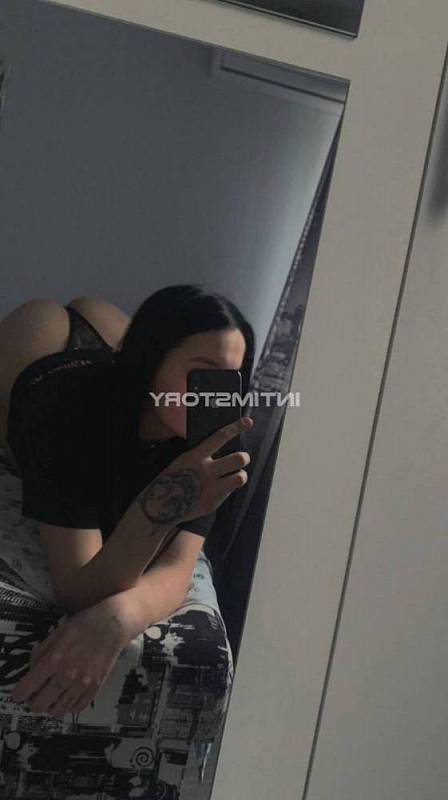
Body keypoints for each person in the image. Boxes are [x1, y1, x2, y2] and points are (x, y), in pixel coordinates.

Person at [0, 283, 255, 716]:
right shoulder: (67, 413)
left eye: (229, 377)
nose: (214, 393)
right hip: (43, 371)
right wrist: (164, 504)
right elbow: (77, 589)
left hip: (121, 365)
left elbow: (178, 566)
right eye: (202, 372)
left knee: (96, 310)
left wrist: (120, 616)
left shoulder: (221, 435)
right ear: (152, 363)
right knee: (43, 315)